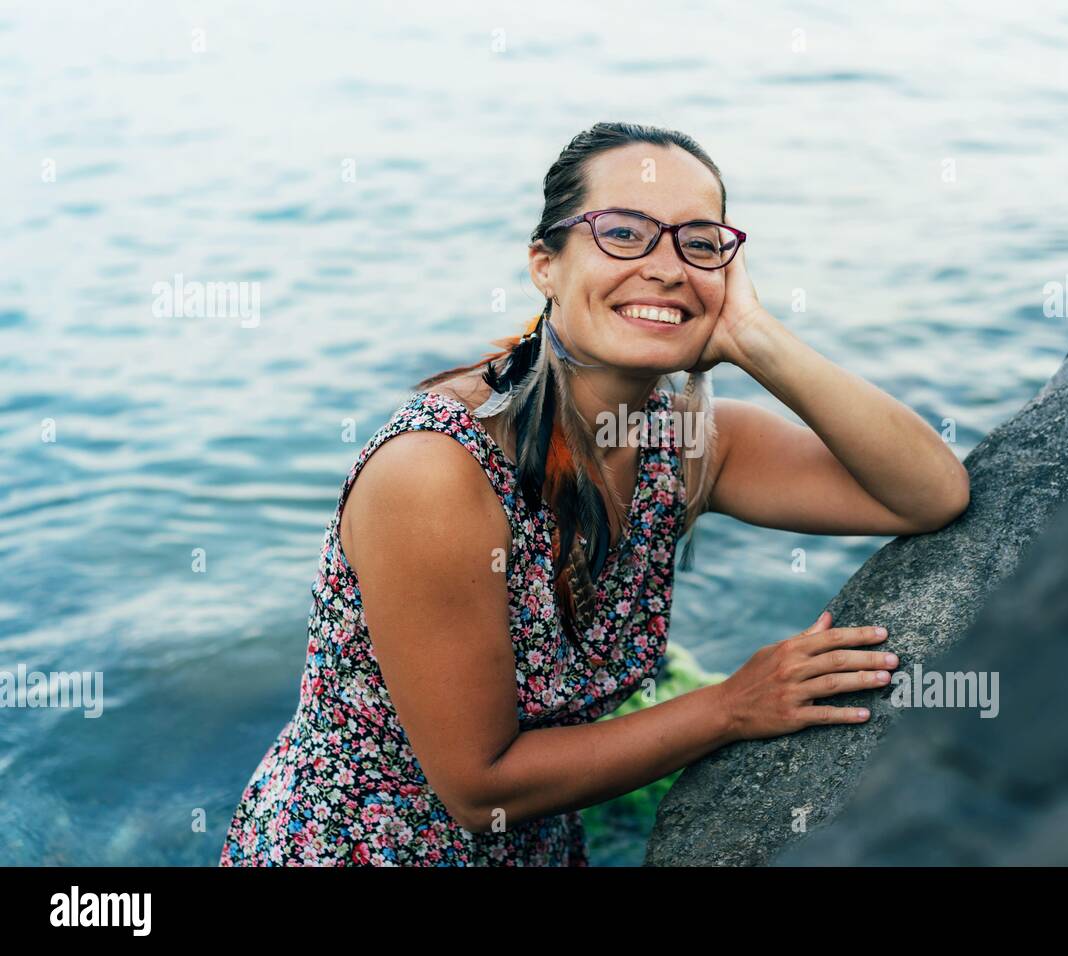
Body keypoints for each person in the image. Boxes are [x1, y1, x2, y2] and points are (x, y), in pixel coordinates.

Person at [218, 121, 970, 866]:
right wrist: (733, 706)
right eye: (624, 232)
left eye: (698, 243)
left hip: (536, 845)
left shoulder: (682, 443)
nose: (668, 267)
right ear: (545, 263)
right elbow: (479, 789)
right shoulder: (437, 472)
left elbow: (927, 493)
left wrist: (755, 336)